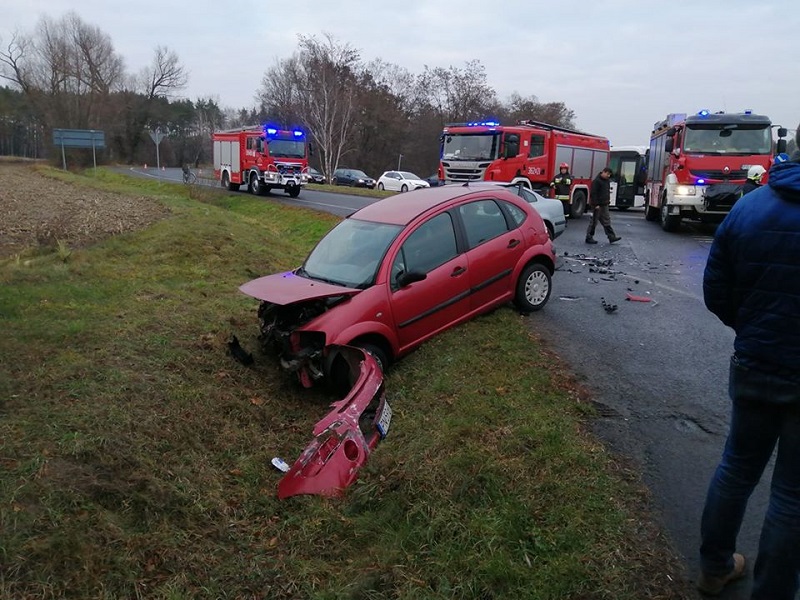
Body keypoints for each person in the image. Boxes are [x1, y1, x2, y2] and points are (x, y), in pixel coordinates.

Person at [699, 123, 800, 599]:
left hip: (756, 364)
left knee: (736, 469)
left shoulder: (749, 207)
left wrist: (751, 329)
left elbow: (716, 289)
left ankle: (715, 568)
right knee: (791, 497)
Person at [585, 167, 621, 244]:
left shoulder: (606, 181)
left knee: (606, 221)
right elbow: (593, 194)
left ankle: (611, 236)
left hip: (604, 204)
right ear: (603, 172)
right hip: (598, 205)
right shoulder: (597, 181)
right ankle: (589, 237)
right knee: (594, 222)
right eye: (607, 174)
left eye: (609, 175)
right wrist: (596, 204)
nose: (608, 176)